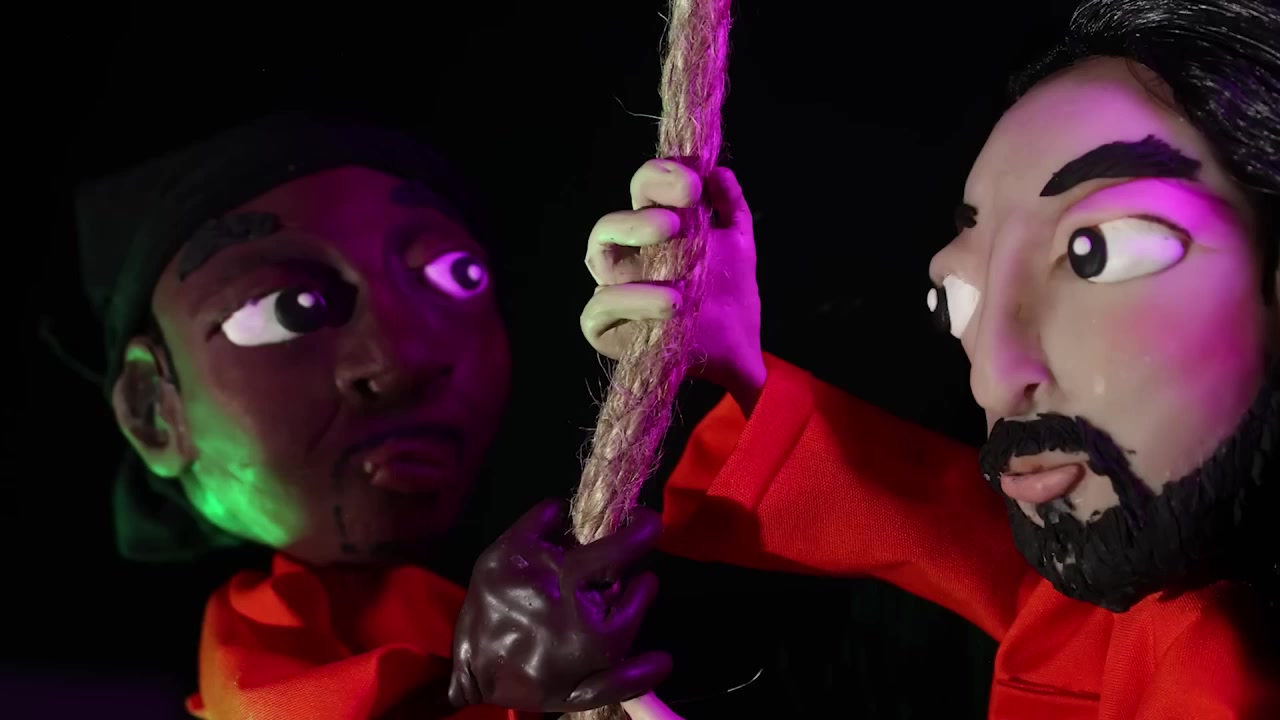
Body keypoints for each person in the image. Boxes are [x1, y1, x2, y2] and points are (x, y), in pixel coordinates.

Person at [449, 0, 1280, 717]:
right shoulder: (1151, 596)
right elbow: (975, 550)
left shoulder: (1226, 664)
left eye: (1096, 254)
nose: (993, 376)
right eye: (957, 299)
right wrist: (736, 364)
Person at [71, 112, 667, 719]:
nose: (400, 359)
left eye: (455, 275)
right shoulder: (272, 646)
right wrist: (492, 693)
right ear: (152, 411)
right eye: (288, 309)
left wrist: (718, 350)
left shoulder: (588, 545)